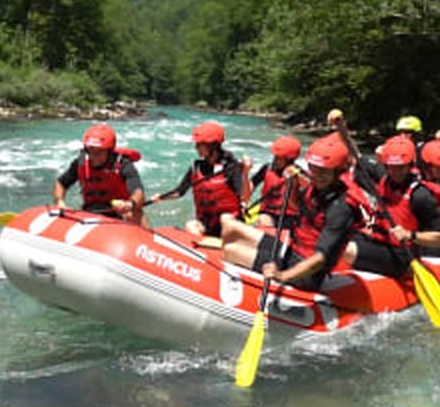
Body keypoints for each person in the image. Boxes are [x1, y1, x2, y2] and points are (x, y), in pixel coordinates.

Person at [221, 134, 362, 291]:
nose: (317, 175)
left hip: (306, 271)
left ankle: (239, 291)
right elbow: (296, 206)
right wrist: (293, 184)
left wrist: (281, 276)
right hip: (291, 251)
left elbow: (320, 259)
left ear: (338, 171)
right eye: (315, 169)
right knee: (232, 227)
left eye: (324, 171)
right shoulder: (317, 188)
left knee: (231, 250)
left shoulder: (341, 208)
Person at [340, 136, 440, 277]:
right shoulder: (384, 177)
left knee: (346, 250)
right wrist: (341, 127)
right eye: (391, 167)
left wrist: (409, 235)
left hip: (401, 254)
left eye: (401, 167)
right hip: (377, 241)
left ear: (410, 165)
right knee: (334, 237)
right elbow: (356, 156)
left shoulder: (420, 195)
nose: (396, 172)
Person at [150, 121, 251, 237]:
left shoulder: (231, 168)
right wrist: (161, 197)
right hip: (208, 223)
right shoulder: (196, 166)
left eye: (199, 144)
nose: (196, 147)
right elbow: (179, 191)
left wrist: (245, 173)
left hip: (230, 223)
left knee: (225, 218)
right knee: (191, 225)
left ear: (212, 146)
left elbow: (245, 197)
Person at [52, 123, 148, 226]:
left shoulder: (123, 165)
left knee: (134, 213)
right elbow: (61, 183)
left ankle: (148, 238)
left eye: (99, 152)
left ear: (109, 151)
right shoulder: (81, 163)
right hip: (92, 212)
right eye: (90, 150)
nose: (93, 156)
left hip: (120, 212)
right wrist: (59, 202)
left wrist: (130, 203)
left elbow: (138, 191)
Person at [249, 135, 303, 228]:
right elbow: (251, 186)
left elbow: (295, 205)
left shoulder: (300, 175)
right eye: (275, 156)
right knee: (264, 221)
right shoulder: (267, 168)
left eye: (278, 158)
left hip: (290, 216)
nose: (274, 160)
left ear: (289, 160)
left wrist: (293, 182)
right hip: (267, 212)